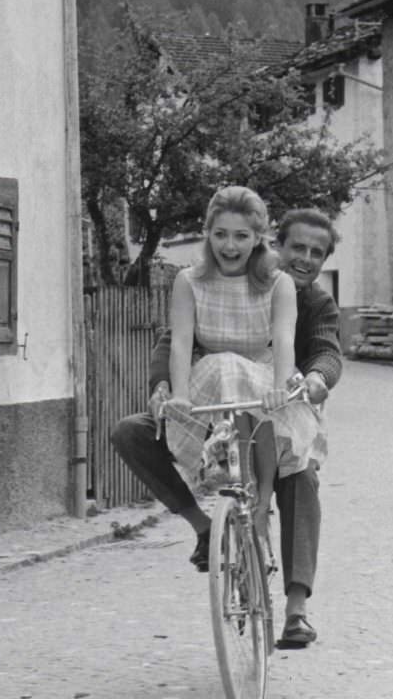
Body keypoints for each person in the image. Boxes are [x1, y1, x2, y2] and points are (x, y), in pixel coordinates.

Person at [111, 203, 342, 648]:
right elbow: (173, 339)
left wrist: (317, 378)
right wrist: (162, 385)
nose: (307, 259)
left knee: (303, 479)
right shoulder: (216, 281)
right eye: (298, 247)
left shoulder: (311, 299)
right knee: (131, 432)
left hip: (276, 399)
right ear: (273, 242)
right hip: (206, 393)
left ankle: (296, 609)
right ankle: (203, 528)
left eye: (318, 253)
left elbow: (325, 349)